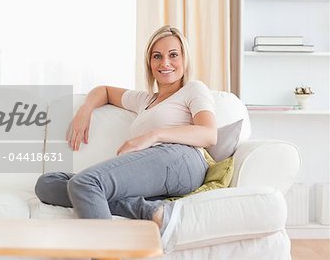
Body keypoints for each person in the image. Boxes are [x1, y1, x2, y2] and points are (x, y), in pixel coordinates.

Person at [35, 25, 217, 253]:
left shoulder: (193, 89)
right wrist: (85, 110)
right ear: (149, 63)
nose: (165, 63)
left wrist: (152, 136)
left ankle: (109, 255)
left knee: (86, 183)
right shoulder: (144, 100)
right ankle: (150, 211)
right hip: (155, 168)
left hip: (182, 159)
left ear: (184, 59)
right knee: (47, 184)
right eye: (157, 56)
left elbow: (209, 134)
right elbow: (104, 90)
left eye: (173, 55)